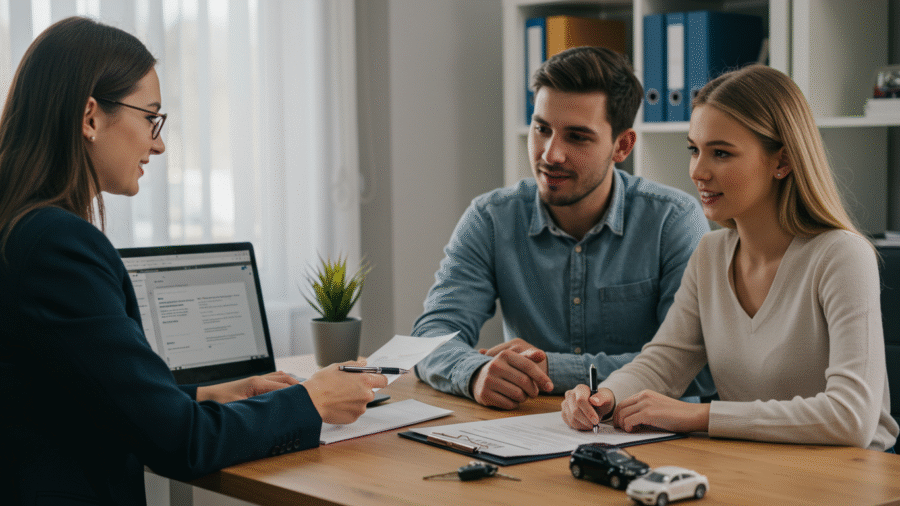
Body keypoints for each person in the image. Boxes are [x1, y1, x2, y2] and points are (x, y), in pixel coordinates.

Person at [0, 17, 387, 505]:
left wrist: (210, 395)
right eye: (150, 117)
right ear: (90, 117)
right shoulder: (57, 247)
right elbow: (181, 443)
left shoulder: (19, 230)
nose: (158, 143)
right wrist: (313, 401)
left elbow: (72, 401)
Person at [561, 64, 899, 452]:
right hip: (755, 467)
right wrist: (605, 397)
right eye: (694, 150)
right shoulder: (710, 254)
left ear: (782, 161)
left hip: (850, 480)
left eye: (720, 153)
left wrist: (701, 416)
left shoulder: (841, 256)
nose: (697, 171)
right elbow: (664, 362)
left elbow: (851, 418)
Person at [413, 46, 714, 410]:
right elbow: (429, 338)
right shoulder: (491, 218)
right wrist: (475, 373)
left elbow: (696, 367)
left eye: (577, 137)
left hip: (655, 436)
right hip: (529, 431)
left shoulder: (673, 220)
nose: (550, 154)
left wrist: (548, 368)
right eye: (541, 129)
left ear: (622, 145)